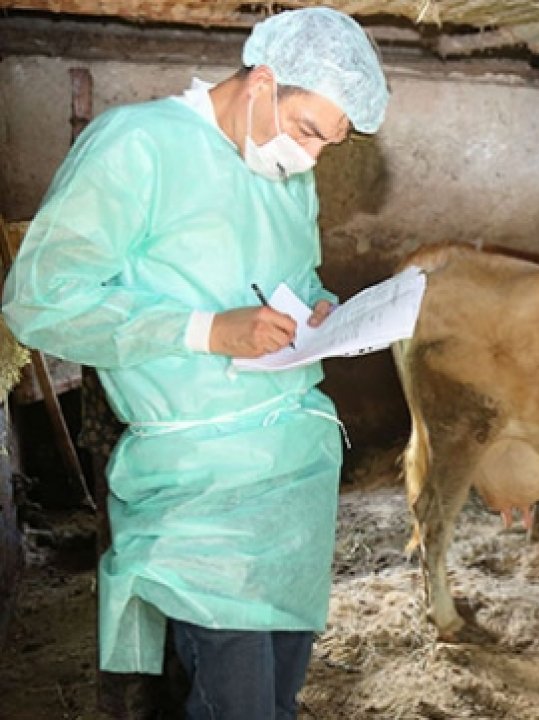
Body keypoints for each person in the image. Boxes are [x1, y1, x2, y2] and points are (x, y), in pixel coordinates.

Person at [1, 7, 389, 718]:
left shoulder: (288, 178)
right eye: (309, 129)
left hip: (292, 485)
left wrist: (321, 310)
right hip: (198, 494)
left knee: (275, 695)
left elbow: (295, 280)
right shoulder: (138, 146)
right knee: (231, 702)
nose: (311, 157)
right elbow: (41, 301)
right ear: (263, 82)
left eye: (329, 145)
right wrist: (206, 330)